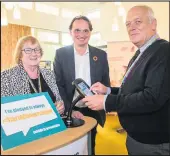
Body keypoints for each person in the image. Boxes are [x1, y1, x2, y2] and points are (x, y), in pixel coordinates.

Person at [82, 5, 170, 155]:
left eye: (138, 21)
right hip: (137, 137)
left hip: (152, 143)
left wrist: (105, 101)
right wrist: (108, 90)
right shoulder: (141, 53)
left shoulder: (163, 51)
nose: (132, 27)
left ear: (153, 24)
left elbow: (151, 98)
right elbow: (132, 90)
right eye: (128, 24)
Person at [53, 15, 110, 155]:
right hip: (70, 109)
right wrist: (69, 110)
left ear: (90, 33)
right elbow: (58, 85)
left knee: (90, 145)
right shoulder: (61, 54)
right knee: (71, 145)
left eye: (86, 31)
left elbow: (105, 83)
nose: (82, 35)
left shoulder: (101, 55)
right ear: (70, 32)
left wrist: (101, 96)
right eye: (77, 30)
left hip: (92, 108)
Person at [1, 35, 65, 115]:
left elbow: (58, 100)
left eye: (37, 49)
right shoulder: (6, 77)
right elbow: (5, 110)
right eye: (28, 50)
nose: (34, 53)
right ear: (20, 54)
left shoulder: (49, 74)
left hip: (51, 125)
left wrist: (60, 106)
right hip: (24, 126)